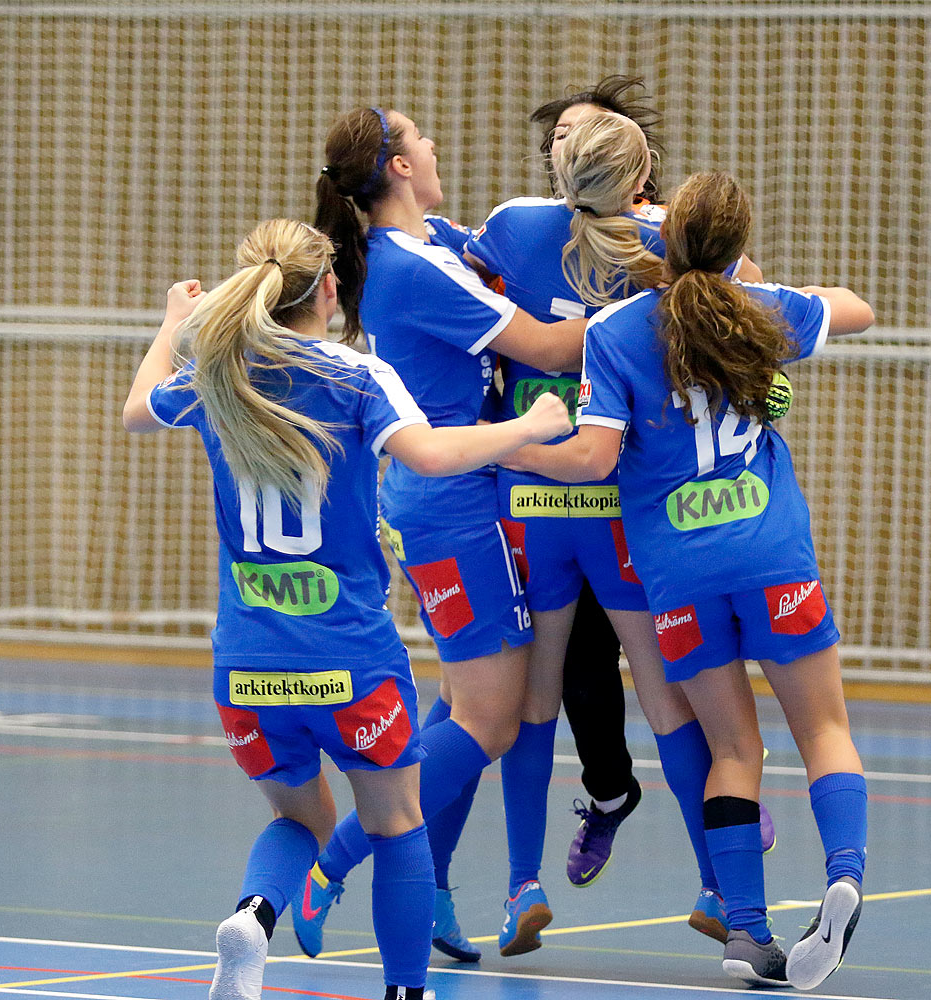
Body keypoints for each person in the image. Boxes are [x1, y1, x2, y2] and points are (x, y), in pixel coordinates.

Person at [121, 218, 571, 1000]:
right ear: (330, 289)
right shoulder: (360, 376)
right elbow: (431, 455)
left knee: (300, 821)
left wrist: (171, 327)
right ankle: (406, 991)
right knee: (397, 822)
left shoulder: (219, 374)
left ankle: (254, 916)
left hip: (247, 666)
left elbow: (135, 409)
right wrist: (526, 427)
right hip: (348, 658)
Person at [504, 172, 873, 990]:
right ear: (740, 247)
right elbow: (857, 307)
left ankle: (747, 932)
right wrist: (769, 285)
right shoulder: (763, 310)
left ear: (661, 240)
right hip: (772, 553)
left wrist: (513, 447)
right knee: (825, 730)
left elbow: (593, 459)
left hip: (678, 571)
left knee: (734, 748)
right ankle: (844, 873)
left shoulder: (618, 328)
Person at [460, 111, 765, 945]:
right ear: (643, 173)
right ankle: (720, 888)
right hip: (627, 501)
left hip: (534, 492)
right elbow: (752, 317)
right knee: (667, 698)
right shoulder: (673, 235)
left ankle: (521, 887)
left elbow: (451, 280)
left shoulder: (514, 227)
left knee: (533, 699)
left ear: (567, 169)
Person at [293, 106, 588, 962]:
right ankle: (336, 865)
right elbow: (551, 345)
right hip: (451, 504)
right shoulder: (412, 270)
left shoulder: (437, 244)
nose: (433, 144)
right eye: (417, 135)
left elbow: (506, 246)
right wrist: (659, 313)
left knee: (467, 703)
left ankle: (428, 886)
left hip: (445, 498)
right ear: (395, 166)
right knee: (491, 723)